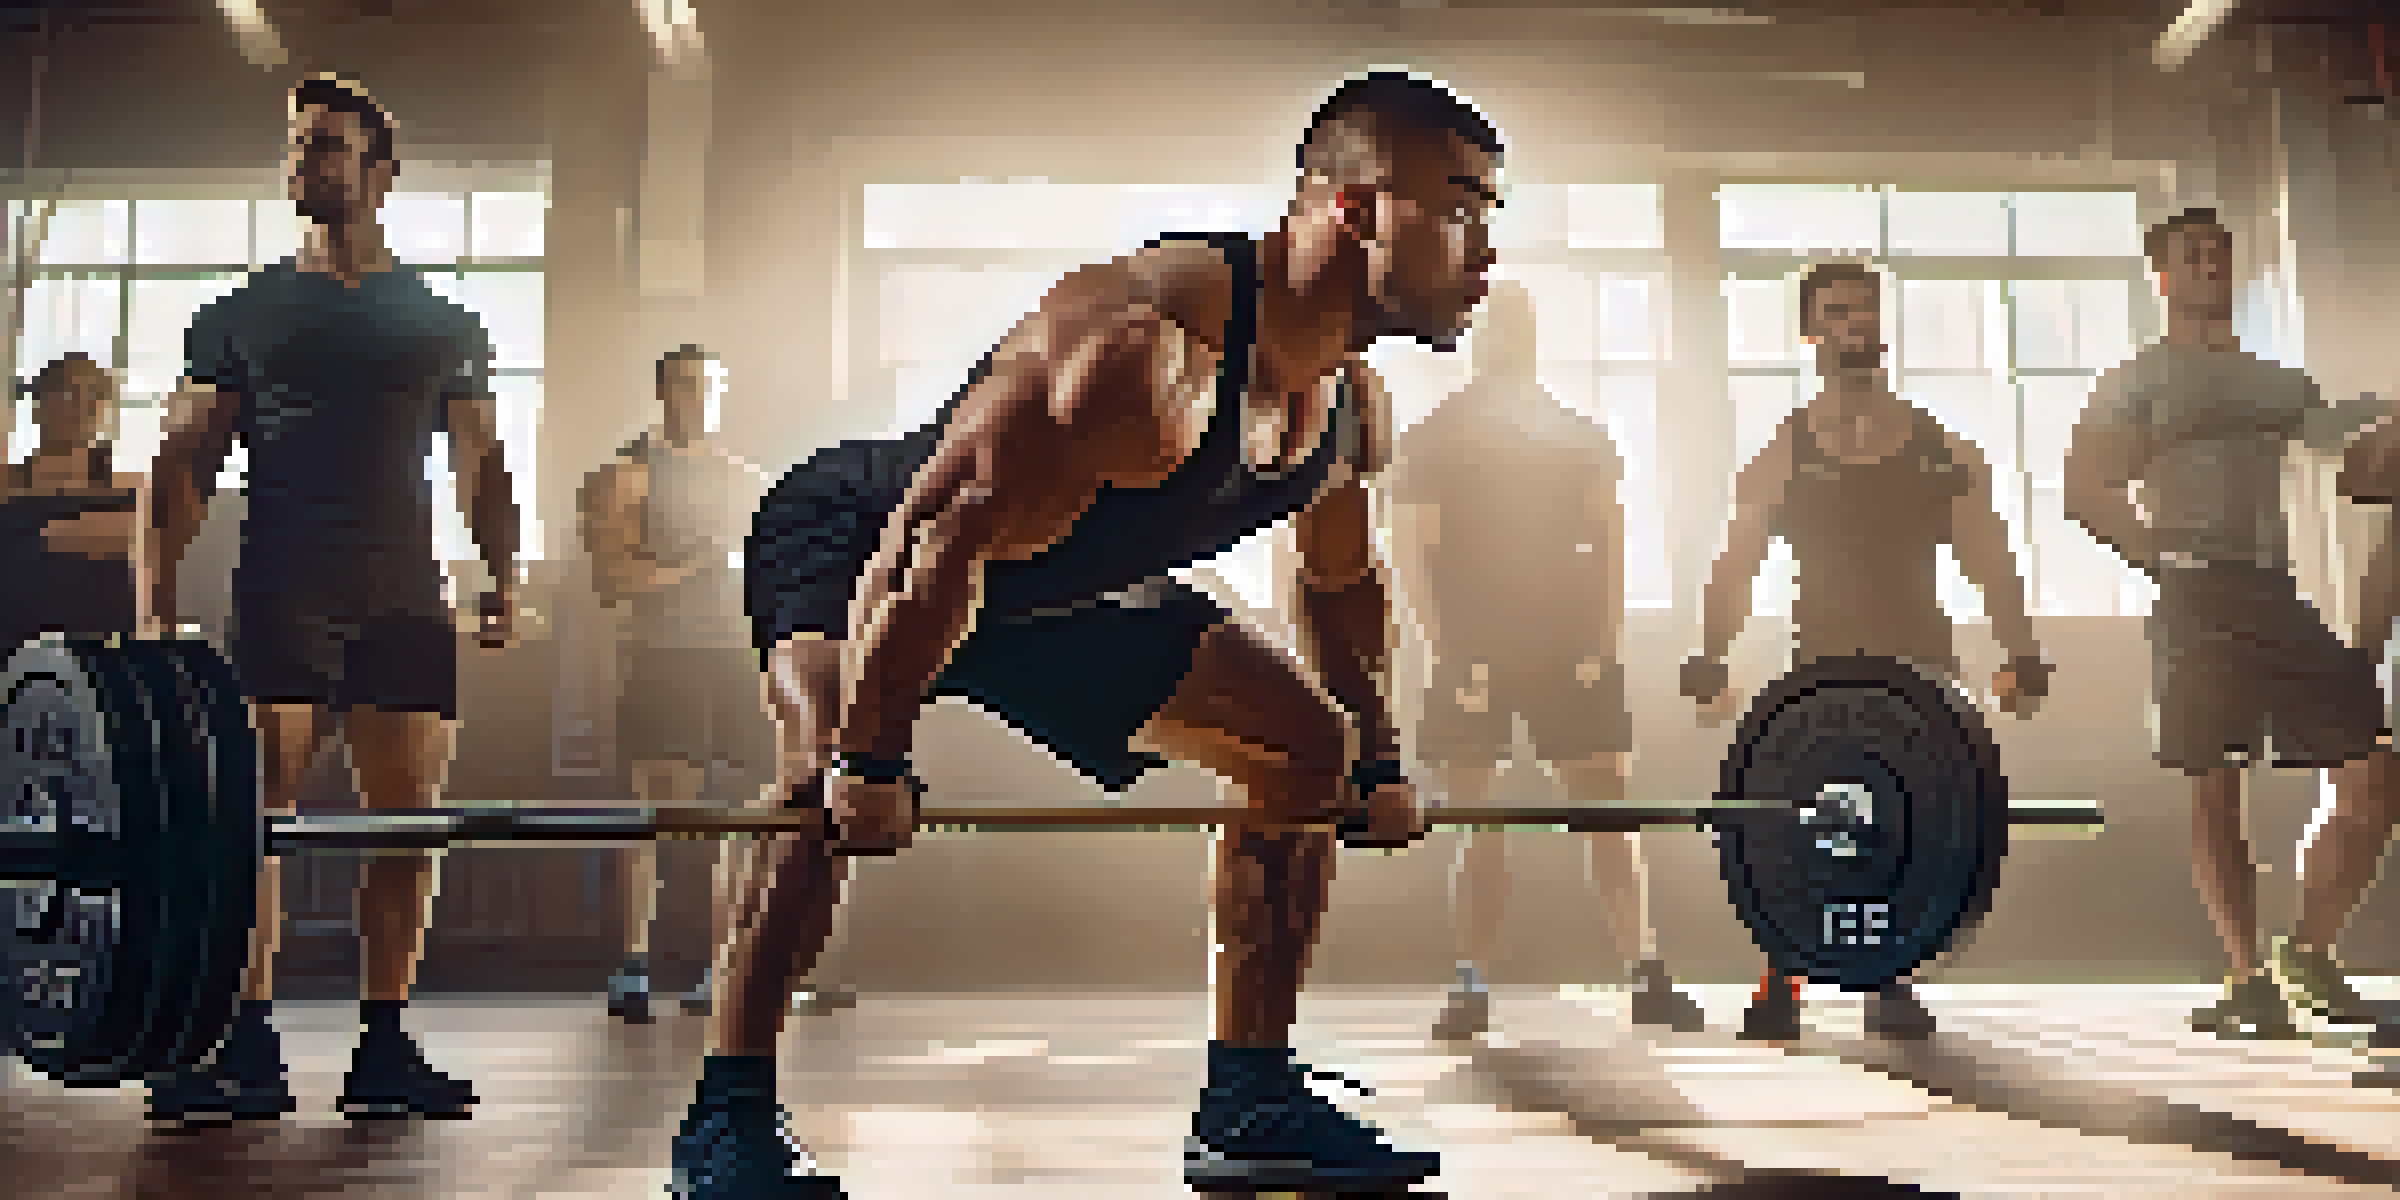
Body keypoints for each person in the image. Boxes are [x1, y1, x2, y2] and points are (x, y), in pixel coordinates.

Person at [684, 70, 1498, 1197]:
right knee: (816, 773)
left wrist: (1379, 748)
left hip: (1051, 590)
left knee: (1304, 753)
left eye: (1490, 215)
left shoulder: (1349, 407)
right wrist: (870, 756)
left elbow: (1340, 583)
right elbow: (934, 541)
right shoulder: (1145, 349)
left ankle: (1251, 1097)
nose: (1485, 250)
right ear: (1354, 206)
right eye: (1459, 206)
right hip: (872, 542)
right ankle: (726, 1120)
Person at [143, 72, 518, 1123]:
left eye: (328, 147)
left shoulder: (441, 319)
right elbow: (181, 463)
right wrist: (154, 597)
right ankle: (247, 1042)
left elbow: (483, 465)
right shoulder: (240, 315)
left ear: (380, 172)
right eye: (298, 146)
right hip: (283, 586)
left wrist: (503, 577)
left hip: (404, 592)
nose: (306, 163)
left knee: (408, 826)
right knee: (260, 823)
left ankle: (385, 1046)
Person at [1685, 260, 2050, 1043]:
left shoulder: (1941, 448)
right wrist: (1711, 655)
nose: (1857, 325)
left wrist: (2021, 649)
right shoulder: (1783, 452)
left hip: (1919, 666)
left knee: (1914, 825)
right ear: (1811, 333)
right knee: (1793, 821)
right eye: (1839, 313)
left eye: (1867, 313)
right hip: (1821, 668)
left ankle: (1891, 977)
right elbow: (1737, 557)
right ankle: (1780, 972)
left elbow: (1989, 556)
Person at [2065, 208, 2398, 1040]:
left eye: (2221, 254)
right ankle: (2246, 975)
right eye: (2193, 255)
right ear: (2163, 276)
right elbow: (2087, 488)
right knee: (2216, 784)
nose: (2211, 264)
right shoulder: (2137, 382)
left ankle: (2309, 952)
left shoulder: (2288, 389)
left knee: (2371, 782)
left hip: (2297, 591)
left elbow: (2347, 479)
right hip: (2200, 597)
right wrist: (2156, 555)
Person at [1388, 279, 1708, 1041]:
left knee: (1609, 813)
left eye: (1517, 322)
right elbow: (1410, 552)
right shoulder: (1434, 437)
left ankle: (1645, 972)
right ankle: (1470, 981)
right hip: (1475, 652)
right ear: (1473, 335)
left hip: (1569, 649)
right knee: (1480, 823)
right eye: (1493, 323)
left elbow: (1609, 544)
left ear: (1534, 336)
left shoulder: (1578, 436)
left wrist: (1602, 643)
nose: (1504, 335)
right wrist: (1445, 653)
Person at [578, 345, 848, 1022]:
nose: (697, 399)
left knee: (746, 815)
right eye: (686, 386)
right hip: (662, 657)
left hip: (737, 660)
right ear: (663, 390)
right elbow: (614, 579)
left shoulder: (749, 480)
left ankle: (722, 963)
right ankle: (633, 965)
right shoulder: (626, 476)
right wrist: (698, 563)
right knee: (657, 816)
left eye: (708, 388)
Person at [0, 353, 147, 651]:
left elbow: (148, 554)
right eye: (68, 392)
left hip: (105, 657)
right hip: (15, 652)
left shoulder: (133, 486)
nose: (82, 405)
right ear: (38, 404)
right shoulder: (6, 481)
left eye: (94, 394)